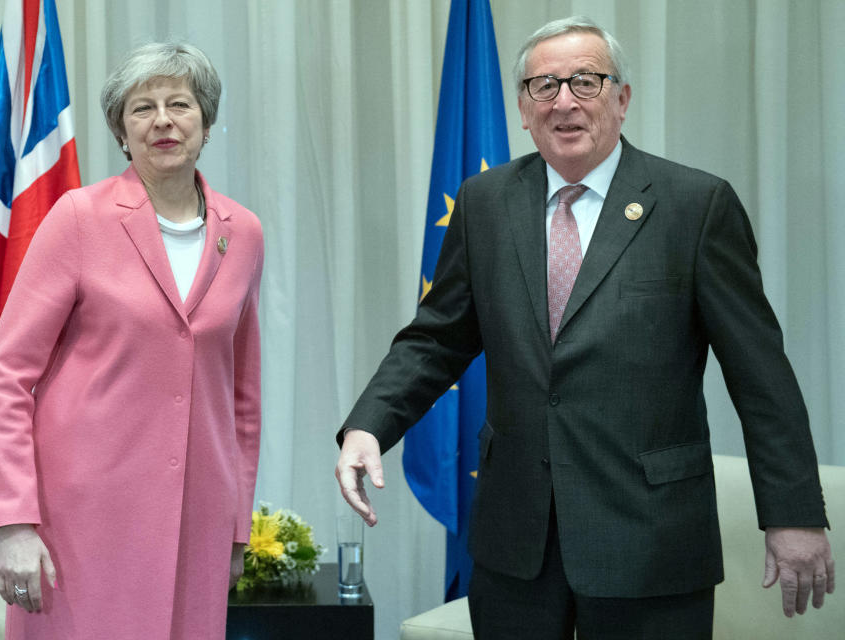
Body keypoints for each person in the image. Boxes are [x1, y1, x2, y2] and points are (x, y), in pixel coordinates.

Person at [335, 16, 834, 639]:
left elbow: (760, 375)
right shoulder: (485, 202)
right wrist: (368, 426)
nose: (564, 101)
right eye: (543, 86)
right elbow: (438, 337)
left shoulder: (694, 205)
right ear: (522, 107)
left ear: (622, 99)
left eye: (586, 82)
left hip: (650, 540)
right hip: (517, 543)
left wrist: (792, 515)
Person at [0, 42, 263, 639]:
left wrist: (235, 526)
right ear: (121, 132)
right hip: (78, 524)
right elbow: (6, 377)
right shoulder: (78, 218)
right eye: (142, 108)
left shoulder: (246, 233)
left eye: (180, 104)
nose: (163, 120)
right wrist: (13, 523)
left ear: (205, 124)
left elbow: (241, 399)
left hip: (196, 525)